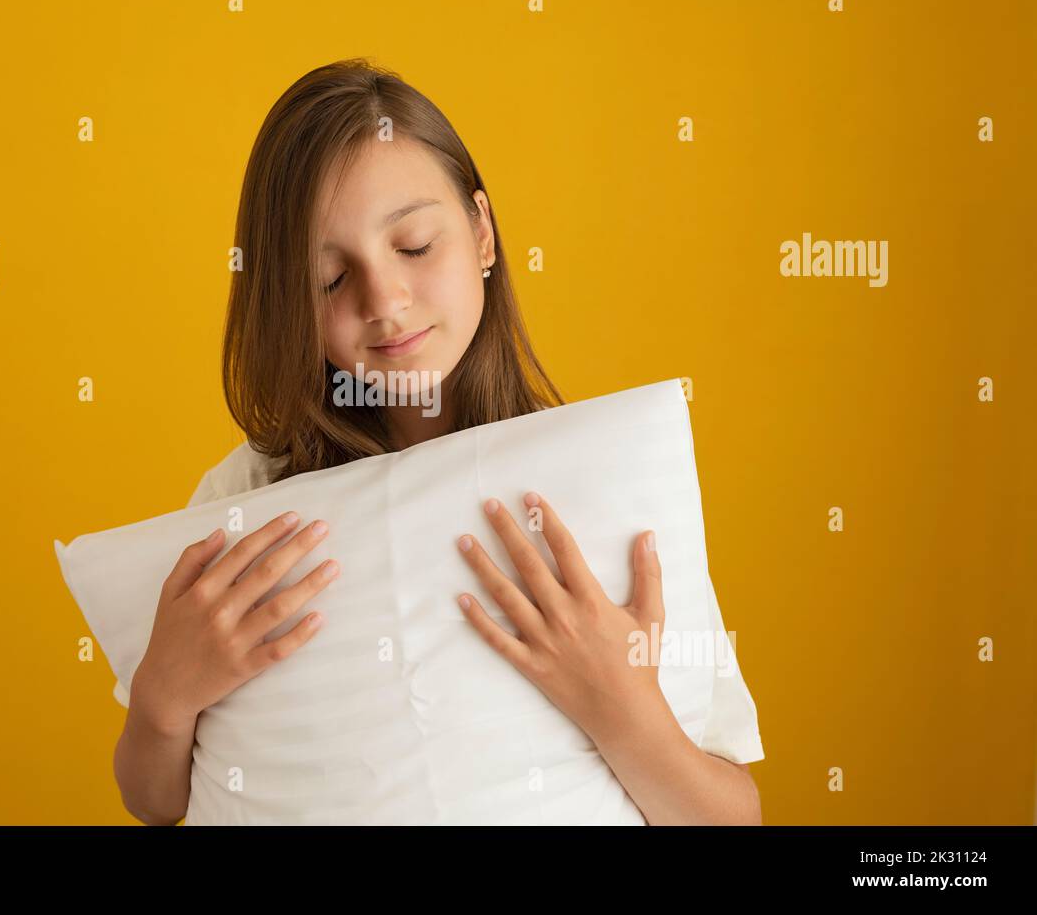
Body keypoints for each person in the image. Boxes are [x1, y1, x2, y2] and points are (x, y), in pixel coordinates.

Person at [112, 58, 763, 826]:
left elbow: (733, 818)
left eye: (415, 246)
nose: (384, 301)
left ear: (482, 233)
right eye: (329, 279)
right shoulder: (245, 501)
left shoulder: (607, 485)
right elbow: (155, 804)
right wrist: (161, 698)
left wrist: (623, 710)